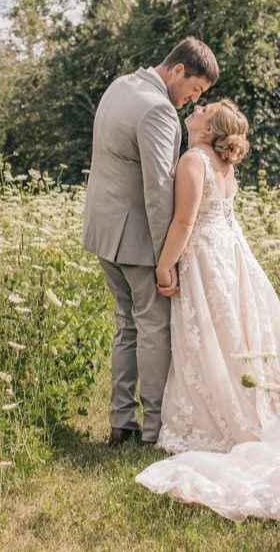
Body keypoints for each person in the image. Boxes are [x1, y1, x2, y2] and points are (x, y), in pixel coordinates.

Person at [135, 99, 280, 528]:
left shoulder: (194, 159)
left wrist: (163, 266)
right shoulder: (224, 165)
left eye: (204, 107)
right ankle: (241, 402)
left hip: (208, 262)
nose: (195, 107)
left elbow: (183, 223)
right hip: (231, 259)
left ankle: (226, 416)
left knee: (213, 337)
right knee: (236, 338)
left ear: (209, 129)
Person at [82, 37, 219, 446]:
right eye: (193, 89)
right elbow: (160, 192)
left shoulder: (120, 86)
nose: (191, 100)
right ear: (177, 71)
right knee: (154, 328)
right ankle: (155, 429)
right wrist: (168, 260)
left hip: (104, 232)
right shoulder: (159, 110)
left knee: (126, 324)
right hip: (138, 239)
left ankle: (121, 422)